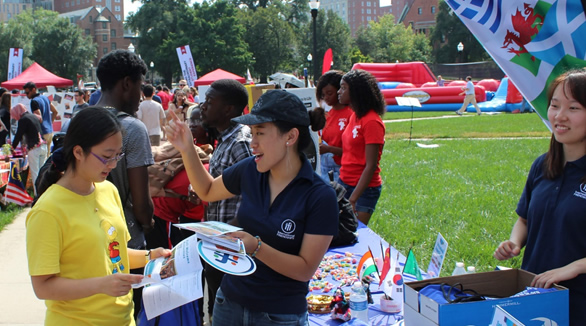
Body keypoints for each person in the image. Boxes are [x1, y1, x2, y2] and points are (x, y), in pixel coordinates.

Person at [166, 89, 338, 326]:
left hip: (279, 315)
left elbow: (304, 269)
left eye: (260, 133)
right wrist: (186, 148)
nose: (252, 143)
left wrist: (256, 247)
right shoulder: (251, 169)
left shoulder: (319, 196)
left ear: (290, 137)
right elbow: (206, 190)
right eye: (251, 133)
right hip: (229, 302)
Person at [26, 107, 171, 325]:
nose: (113, 164)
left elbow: (113, 254)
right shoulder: (48, 211)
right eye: (106, 157)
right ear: (78, 152)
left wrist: (152, 256)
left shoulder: (108, 190)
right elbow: (43, 286)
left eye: (118, 155)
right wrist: (101, 285)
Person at [494, 69, 586, 325]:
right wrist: (514, 242)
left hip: (578, 304)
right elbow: (524, 220)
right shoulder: (543, 165)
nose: (560, 116)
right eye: (554, 106)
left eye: (574, 108)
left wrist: (574, 267)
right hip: (535, 295)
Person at [95, 49, 153, 318]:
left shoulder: (80, 123)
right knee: (128, 313)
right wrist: (149, 223)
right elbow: (141, 204)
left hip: (88, 239)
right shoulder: (132, 128)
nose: (142, 97)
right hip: (125, 244)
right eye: (140, 87)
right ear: (127, 84)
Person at [199, 79, 253, 319]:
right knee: (216, 307)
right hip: (216, 240)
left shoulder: (241, 142)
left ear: (228, 109)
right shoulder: (224, 139)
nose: (203, 106)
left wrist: (228, 232)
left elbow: (253, 194)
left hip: (231, 245)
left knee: (227, 310)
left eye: (210, 102)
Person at [337, 69, 386, 226]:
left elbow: (371, 166)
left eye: (343, 88)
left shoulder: (371, 122)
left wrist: (353, 199)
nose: (339, 92)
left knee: (354, 233)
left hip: (364, 190)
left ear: (356, 91)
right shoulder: (354, 116)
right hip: (344, 182)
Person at [316, 70, 353, 183]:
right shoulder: (328, 115)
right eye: (323, 95)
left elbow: (356, 151)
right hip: (325, 171)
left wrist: (329, 149)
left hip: (344, 172)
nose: (326, 98)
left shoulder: (351, 114)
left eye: (329, 93)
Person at [11, 103, 47, 195]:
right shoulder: (33, 116)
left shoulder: (23, 120)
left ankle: (37, 195)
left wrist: (12, 147)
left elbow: (19, 134)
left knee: (35, 173)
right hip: (43, 146)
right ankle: (45, 193)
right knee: (42, 172)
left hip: (34, 148)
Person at [23, 81, 59, 155]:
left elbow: (39, 118)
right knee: (47, 159)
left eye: (27, 93)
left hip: (42, 133)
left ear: (33, 89)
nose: (27, 95)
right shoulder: (45, 98)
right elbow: (55, 111)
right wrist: (50, 123)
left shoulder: (34, 101)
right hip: (50, 132)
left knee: (41, 161)